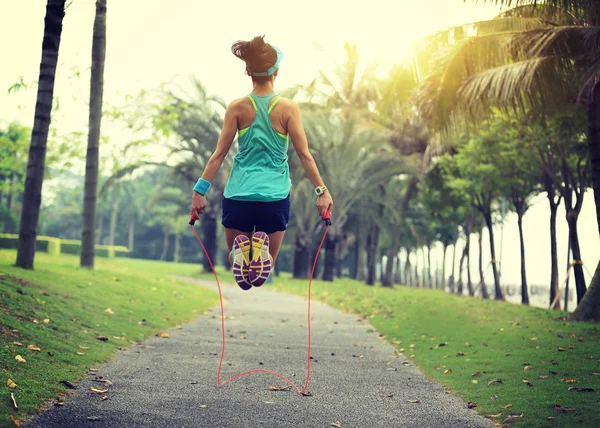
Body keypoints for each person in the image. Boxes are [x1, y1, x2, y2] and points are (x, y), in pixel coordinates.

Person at [191, 36, 333, 290]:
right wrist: (322, 191)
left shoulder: (237, 107)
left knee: (242, 280)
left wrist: (199, 192)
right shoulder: (288, 108)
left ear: (249, 72)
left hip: (239, 195)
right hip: (274, 197)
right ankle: (261, 253)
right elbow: (304, 155)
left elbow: (219, 154)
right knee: (259, 277)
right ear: (275, 72)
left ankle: (242, 253)